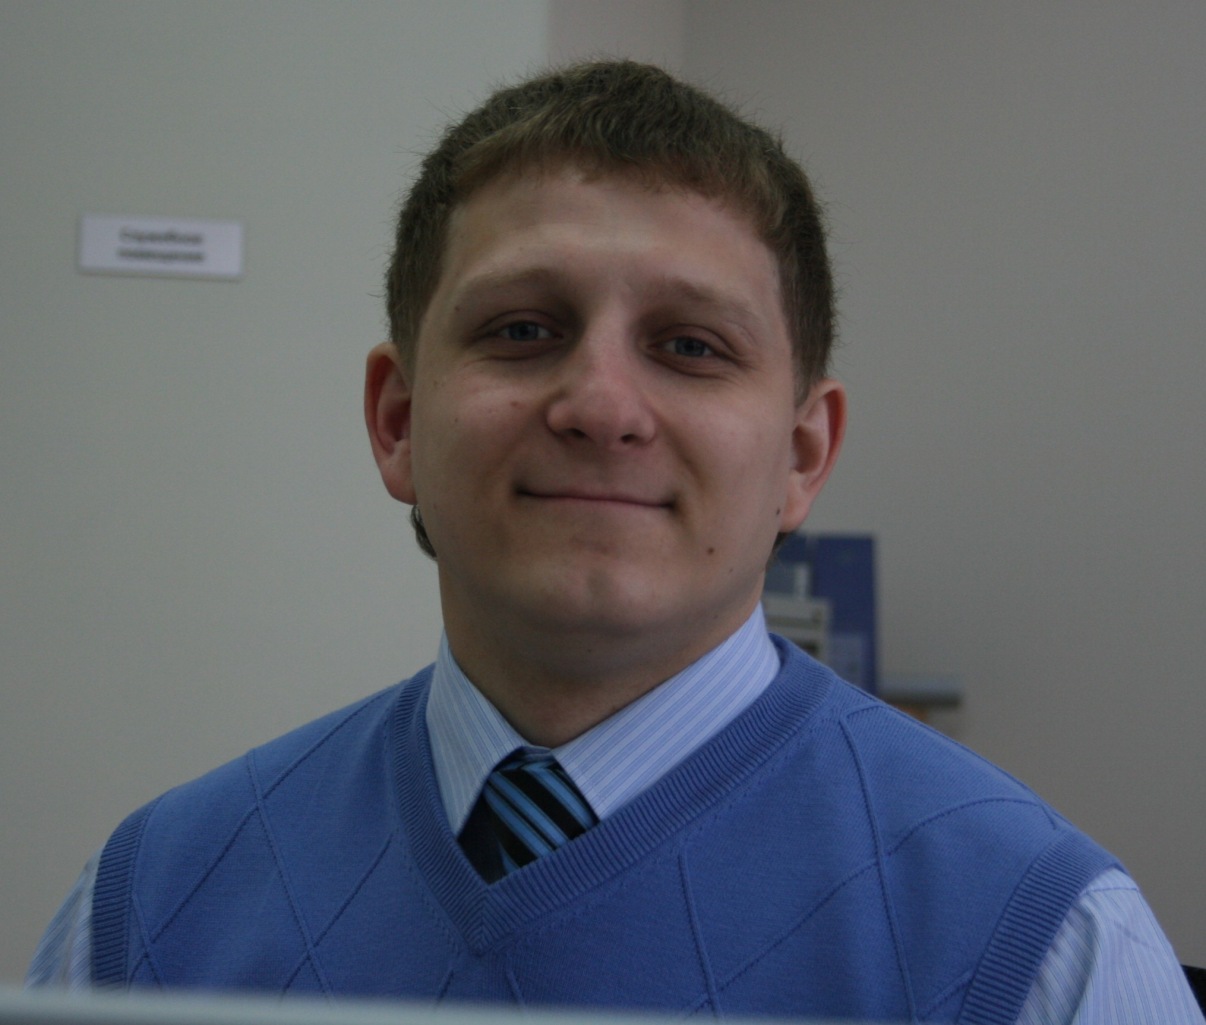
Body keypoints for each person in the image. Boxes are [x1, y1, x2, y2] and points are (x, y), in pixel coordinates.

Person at [28, 60, 1203, 1024]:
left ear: (802, 455)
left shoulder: (1042, 945)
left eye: (691, 346)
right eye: (521, 328)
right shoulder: (148, 911)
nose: (600, 404)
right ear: (397, 422)